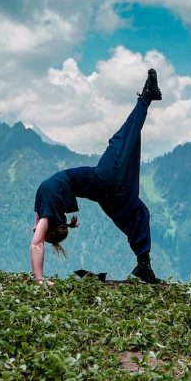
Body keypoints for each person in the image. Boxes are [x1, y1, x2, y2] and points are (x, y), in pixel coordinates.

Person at [30, 69, 163, 285]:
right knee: (123, 138)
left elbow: (38, 229)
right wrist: (39, 280)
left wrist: (41, 231)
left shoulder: (45, 206)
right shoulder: (47, 207)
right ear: (50, 228)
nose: (37, 231)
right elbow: (37, 243)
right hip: (105, 179)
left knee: (139, 211)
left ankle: (144, 264)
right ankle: (147, 95)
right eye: (44, 233)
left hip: (106, 195)